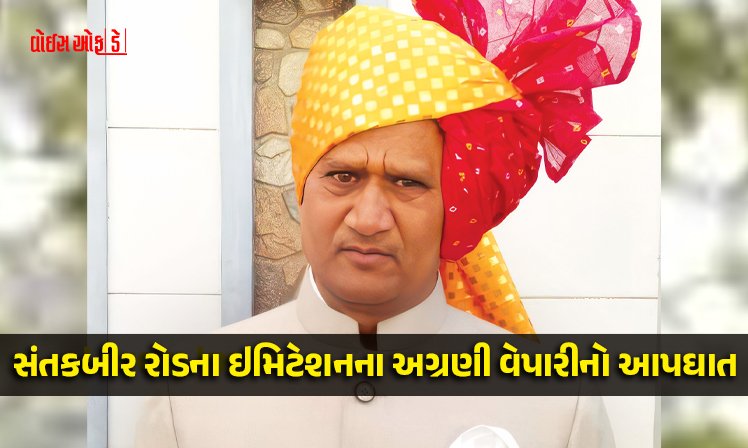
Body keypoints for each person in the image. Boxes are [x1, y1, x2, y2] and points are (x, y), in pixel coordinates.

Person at [136, 1, 641, 446]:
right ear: (303, 188)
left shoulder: (557, 408)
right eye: (343, 177)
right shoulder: (188, 399)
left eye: (407, 183)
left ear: (451, 208)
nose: (369, 219)